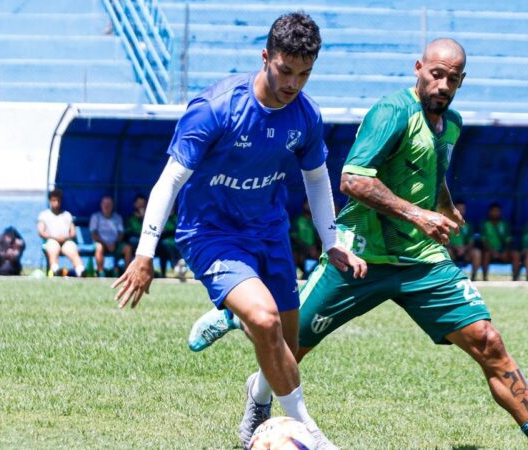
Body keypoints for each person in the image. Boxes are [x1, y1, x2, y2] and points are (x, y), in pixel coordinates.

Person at [188, 38, 528, 450]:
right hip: (360, 255)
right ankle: (246, 347)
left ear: (461, 81)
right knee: (288, 344)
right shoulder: (391, 112)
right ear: (419, 68)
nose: (442, 84)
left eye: (452, 79)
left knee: (488, 340)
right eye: (436, 74)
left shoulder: (451, 124)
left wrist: (445, 207)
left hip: (422, 261)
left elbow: (432, 179)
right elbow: (353, 179)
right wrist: (418, 215)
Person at [111, 12, 365, 449]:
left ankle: (256, 393)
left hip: (269, 232)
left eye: (304, 74)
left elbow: (318, 178)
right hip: (211, 233)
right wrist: (144, 253)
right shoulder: (216, 109)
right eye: (286, 71)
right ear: (265, 57)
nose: (293, 84)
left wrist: (332, 243)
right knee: (264, 321)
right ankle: (314, 436)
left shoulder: (305, 115)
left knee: (288, 340)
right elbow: (170, 179)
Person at [37, 188, 85, 277]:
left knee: (72, 249)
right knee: (53, 247)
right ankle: (55, 269)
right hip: (51, 240)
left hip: (66, 241)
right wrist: (55, 237)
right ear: (50, 201)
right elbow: (41, 232)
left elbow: (73, 233)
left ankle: (80, 270)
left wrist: (65, 238)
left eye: (58, 200)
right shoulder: (44, 215)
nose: (56, 203)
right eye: (54, 200)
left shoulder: (67, 215)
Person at [90, 195, 132, 276]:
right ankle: (101, 273)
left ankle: (127, 274)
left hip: (115, 243)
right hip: (101, 243)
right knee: (98, 247)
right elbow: (94, 234)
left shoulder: (118, 217)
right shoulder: (95, 217)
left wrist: (114, 243)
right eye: (105, 204)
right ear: (101, 205)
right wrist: (106, 243)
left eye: (109, 204)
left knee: (128, 248)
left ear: (112, 205)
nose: (107, 206)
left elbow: (121, 233)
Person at [481, 202, 521, 281]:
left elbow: (508, 241)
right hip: (490, 252)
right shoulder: (484, 224)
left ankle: (515, 278)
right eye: (494, 211)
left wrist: (505, 251)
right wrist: (492, 251)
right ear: (490, 212)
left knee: (515, 254)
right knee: (486, 254)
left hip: (503, 252)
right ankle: (485, 278)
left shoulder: (505, 224)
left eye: (498, 211)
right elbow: (484, 241)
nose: (496, 213)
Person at [446, 199, 480, 281]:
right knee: (447, 252)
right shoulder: (447, 222)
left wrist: (464, 248)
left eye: (463, 209)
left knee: (477, 253)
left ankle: (473, 278)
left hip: (466, 252)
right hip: (452, 251)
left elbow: (471, 241)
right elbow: (444, 240)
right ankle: (449, 278)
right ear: (453, 209)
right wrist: (455, 248)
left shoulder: (469, 224)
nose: (461, 211)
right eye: (458, 209)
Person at [290, 200, 322, 279]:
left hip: (314, 251)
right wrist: (308, 248)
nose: (310, 205)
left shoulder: (316, 221)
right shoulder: (298, 220)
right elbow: (294, 237)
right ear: (304, 205)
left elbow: (319, 238)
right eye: (308, 203)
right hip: (300, 249)